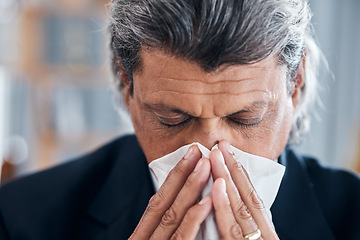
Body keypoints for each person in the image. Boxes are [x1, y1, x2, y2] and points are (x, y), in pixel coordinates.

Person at [1, 0, 360, 239]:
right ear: (128, 86)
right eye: (172, 119)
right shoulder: (21, 218)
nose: (209, 152)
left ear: (295, 85)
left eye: (245, 118)